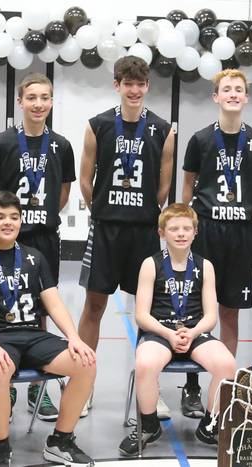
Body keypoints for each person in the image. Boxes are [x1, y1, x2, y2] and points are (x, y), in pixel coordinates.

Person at [0, 191, 96, 467]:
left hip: (32, 336)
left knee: (86, 363)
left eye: (14, 217)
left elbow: (54, 304)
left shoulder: (35, 257)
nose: (7, 222)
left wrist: (74, 338)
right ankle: (0, 449)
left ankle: (60, 441)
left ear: (21, 220)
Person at [78, 56, 174, 416]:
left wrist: (143, 210)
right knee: (93, 307)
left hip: (143, 233)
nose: (134, 90)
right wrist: (104, 209)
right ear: (116, 85)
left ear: (147, 86)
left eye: (140, 83)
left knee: (148, 312)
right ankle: (83, 386)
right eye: (127, 83)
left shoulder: (163, 129)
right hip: (105, 230)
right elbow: (86, 180)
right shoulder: (98, 125)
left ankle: (152, 389)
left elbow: (163, 185)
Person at [0, 72, 76, 421]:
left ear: (51, 102)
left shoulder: (61, 145)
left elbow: (63, 192)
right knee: (0, 301)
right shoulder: (2, 142)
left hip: (44, 237)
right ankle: (2, 381)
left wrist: (41, 214)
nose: (38, 104)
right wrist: (4, 224)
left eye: (45, 97)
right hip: (9, 235)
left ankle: (39, 388)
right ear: (20, 102)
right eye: (31, 97)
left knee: (41, 308)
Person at [181, 68, 252, 414]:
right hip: (206, 230)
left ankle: (227, 384)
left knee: (230, 311)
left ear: (246, 98)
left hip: (240, 234)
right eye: (226, 89)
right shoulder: (201, 139)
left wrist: (248, 216)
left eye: (239, 89)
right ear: (216, 97)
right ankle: (191, 385)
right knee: (193, 310)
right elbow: (188, 184)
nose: (233, 94)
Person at [118, 203, 236, 455]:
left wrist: (192, 333)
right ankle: (149, 425)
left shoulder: (205, 266)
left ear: (195, 232)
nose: (181, 233)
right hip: (160, 331)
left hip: (195, 331)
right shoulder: (151, 264)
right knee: (146, 364)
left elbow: (211, 316)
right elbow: (141, 315)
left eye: (186, 228)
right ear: (162, 233)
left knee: (226, 364)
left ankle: (211, 425)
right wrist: (169, 334)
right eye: (174, 229)